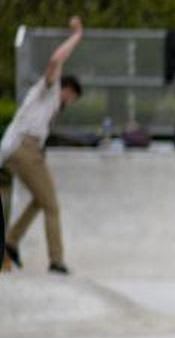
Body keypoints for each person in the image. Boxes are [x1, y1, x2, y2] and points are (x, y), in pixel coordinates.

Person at [2, 16, 85, 274]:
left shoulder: (47, 106)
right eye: (72, 98)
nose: (69, 103)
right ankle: (56, 261)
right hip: (23, 148)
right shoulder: (49, 89)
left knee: (41, 200)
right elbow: (55, 60)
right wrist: (77, 36)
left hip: (16, 150)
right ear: (68, 90)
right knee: (52, 206)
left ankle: (12, 241)